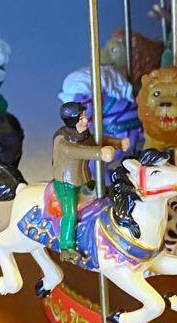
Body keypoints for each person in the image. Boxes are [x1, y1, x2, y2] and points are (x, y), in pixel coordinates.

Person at [52, 101, 129, 259]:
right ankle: (66, 247)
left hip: (82, 180)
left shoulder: (82, 135)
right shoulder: (63, 141)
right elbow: (77, 151)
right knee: (70, 212)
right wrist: (100, 154)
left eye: (84, 116)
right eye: (81, 118)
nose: (86, 120)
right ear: (72, 121)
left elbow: (96, 139)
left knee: (106, 192)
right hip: (66, 184)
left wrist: (117, 143)